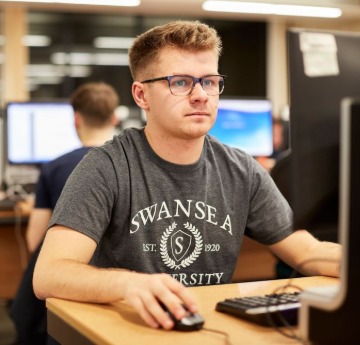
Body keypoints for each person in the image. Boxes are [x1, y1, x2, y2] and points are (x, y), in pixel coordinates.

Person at [33, 20, 341, 332]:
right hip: (128, 332)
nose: (200, 96)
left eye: (209, 81)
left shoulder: (241, 169)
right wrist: (127, 284)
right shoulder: (106, 166)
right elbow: (48, 274)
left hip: (203, 329)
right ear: (141, 96)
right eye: (180, 82)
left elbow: (309, 252)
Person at [10, 81, 119, 345]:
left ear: (76, 120)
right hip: (118, 297)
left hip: (70, 295)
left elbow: (36, 242)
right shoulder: (127, 168)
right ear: (115, 118)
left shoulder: (55, 167)